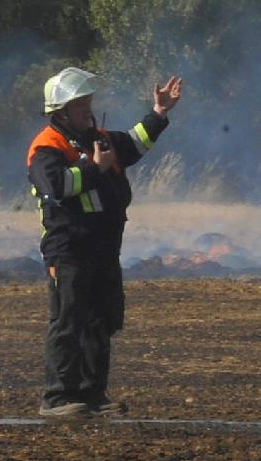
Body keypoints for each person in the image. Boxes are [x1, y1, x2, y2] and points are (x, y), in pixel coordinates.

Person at [27, 65, 182, 419]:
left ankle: (92, 394)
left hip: (104, 248)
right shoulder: (47, 146)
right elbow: (56, 186)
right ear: (61, 111)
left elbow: (135, 142)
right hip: (69, 249)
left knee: (102, 320)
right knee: (69, 321)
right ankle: (57, 398)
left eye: (88, 102)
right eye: (80, 104)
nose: (88, 109)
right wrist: (94, 168)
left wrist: (158, 113)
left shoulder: (99, 138)